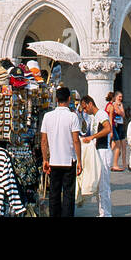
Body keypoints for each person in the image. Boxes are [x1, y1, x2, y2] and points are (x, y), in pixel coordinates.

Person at [40, 86, 82, 217]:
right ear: (69, 99)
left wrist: (45, 159)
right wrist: (79, 161)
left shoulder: (48, 116)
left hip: (54, 160)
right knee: (68, 195)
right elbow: (76, 140)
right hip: (69, 160)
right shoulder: (72, 117)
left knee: (54, 194)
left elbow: (43, 141)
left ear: (57, 99)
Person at [79, 94, 113, 217]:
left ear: (90, 104)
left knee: (104, 185)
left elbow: (107, 129)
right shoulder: (94, 117)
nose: (85, 110)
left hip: (103, 151)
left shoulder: (102, 115)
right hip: (97, 150)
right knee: (99, 185)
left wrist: (92, 137)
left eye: (85, 107)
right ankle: (102, 212)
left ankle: (106, 213)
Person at [107, 91, 126, 171]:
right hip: (114, 126)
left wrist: (120, 108)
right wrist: (111, 130)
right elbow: (114, 115)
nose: (120, 99)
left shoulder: (119, 105)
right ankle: (114, 164)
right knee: (116, 144)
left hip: (118, 125)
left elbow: (123, 114)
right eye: (119, 97)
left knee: (120, 144)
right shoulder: (112, 105)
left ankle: (123, 163)